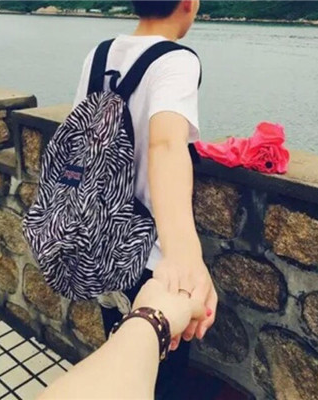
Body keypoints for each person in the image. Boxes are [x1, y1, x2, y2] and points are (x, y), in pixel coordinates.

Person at [71, 1, 218, 398]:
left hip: (101, 242)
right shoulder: (177, 60)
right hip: (151, 259)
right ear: (188, 3)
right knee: (160, 373)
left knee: (120, 347)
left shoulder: (99, 54)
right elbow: (167, 144)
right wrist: (184, 256)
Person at [38, 279, 207, 400]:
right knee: (165, 378)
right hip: (121, 269)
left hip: (132, 271)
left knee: (166, 372)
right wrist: (153, 320)